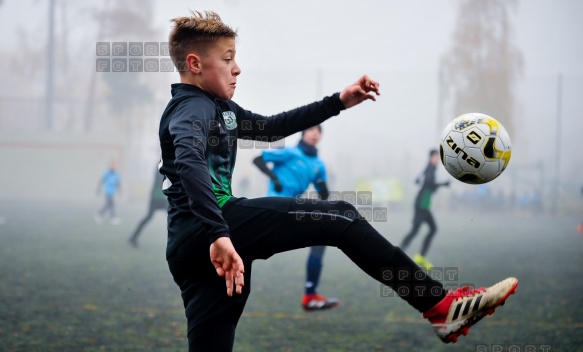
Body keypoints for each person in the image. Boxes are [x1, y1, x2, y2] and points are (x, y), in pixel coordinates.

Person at [159, 11, 518, 351]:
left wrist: (339, 101)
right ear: (194, 64)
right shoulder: (192, 107)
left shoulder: (220, 108)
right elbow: (189, 160)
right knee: (341, 217)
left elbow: (269, 128)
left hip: (193, 245)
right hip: (211, 229)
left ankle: (440, 308)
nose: (237, 68)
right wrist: (218, 233)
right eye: (227, 58)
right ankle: (439, 306)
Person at [253, 125, 338, 311]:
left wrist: (323, 189)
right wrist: (274, 179)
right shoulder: (289, 152)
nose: (315, 134)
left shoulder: (318, 164)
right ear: (303, 134)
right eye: (311, 130)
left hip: (292, 210)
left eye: (319, 132)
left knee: (322, 237)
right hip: (272, 208)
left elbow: (323, 194)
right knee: (246, 246)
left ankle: (310, 296)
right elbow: (258, 159)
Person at [400, 149, 450, 270]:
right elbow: (428, 183)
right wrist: (443, 184)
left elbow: (419, 180)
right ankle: (400, 252)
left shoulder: (429, 169)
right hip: (421, 205)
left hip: (424, 205)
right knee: (416, 230)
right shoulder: (430, 169)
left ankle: (420, 256)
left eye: (438, 158)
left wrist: (432, 185)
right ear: (430, 158)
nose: (437, 160)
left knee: (432, 229)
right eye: (435, 157)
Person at [128, 161, 168, 247]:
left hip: (162, 197)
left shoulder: (166, 163)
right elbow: (159, 180)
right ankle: (133, 236)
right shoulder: (160, 164)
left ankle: (133, 236)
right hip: (156, 197)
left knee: (172, 217)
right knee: (149, 217)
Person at [95, 159, 121, 225]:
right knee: (111, 204)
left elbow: (118, 183)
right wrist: (98, 189)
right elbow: (102, 181)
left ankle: (99, 214)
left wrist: (119, 190)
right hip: (107, 191)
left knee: (108, 205)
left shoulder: (116, 174)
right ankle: (113, 218)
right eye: (111, 164)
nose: (113, 166)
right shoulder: (106, 173)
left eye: (114, 164)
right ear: (110, 165)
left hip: (112, 192)